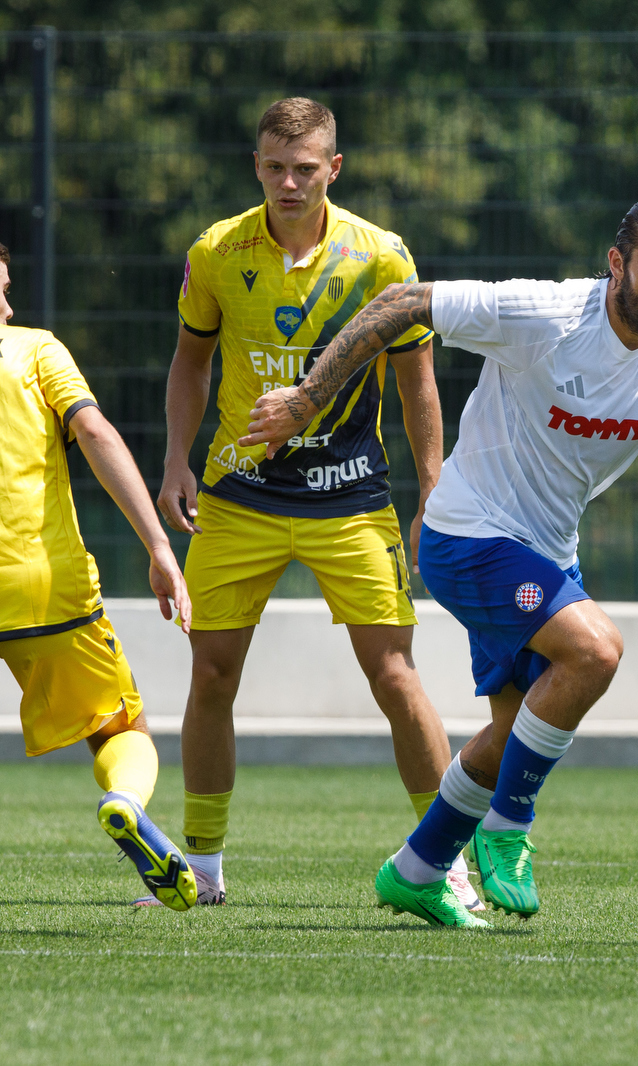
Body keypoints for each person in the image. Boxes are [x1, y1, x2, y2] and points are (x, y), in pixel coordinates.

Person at [240, 194, 638, 927]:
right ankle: (509, 827)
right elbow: (402, 302)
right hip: (467, 535)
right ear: (616, 263)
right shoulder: (547, 315)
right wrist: (311, 398)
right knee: (596, 652)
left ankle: (417, 868)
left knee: (514, 733)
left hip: (546, 551)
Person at [156, 97, 474, 908]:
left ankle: (447, 866)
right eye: (274, 167)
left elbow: (416, 380)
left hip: (350, 498)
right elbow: (191, 362)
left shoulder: (381, 256)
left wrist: (431, 479)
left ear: (335, 168)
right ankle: (203, 871)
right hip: (237, 495)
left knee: (396, 674)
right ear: (255, 166)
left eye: (305, 168)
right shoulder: (217, 251)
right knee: (211, 676)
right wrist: (175, 460)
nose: (288, 182)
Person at [0, 242, 198, 911]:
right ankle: (122, 802)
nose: (7, 305)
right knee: (119, 732)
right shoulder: (34, 350)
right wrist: (158, 546)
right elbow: (98, 435)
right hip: (42, 583)